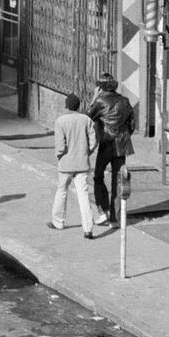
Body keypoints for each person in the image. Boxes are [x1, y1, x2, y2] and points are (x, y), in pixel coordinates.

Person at [88, 71, 136, 226]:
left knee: (98, 176)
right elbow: (132, 124)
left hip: (107, 143)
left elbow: (87, 117)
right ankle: (115, 218)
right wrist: (124, 135)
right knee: (118, 180)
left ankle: (103, 210)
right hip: (122, 145)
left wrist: (94, 97)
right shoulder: (125, 101)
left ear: (101, 88)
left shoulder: (100, 101)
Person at [50, 93, 98, 236]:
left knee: (62, 190)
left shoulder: (60, 121)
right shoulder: (86, 120)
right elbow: (93, 141)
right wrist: (87, 153)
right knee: (83, 194)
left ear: (66, 106)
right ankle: (88, 228)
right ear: (79, 106)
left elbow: (60, 146)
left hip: (66, 164)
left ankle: (58, 222)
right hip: (82, 163)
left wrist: (60, 156)